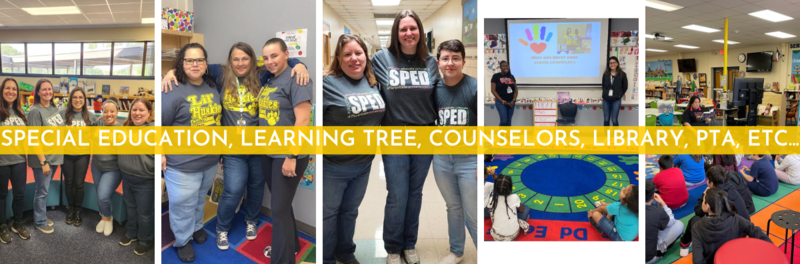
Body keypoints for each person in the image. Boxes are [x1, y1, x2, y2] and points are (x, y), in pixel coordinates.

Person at [370, 9, 439, 264]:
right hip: (394, 134)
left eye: (413, 28)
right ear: (396, 33)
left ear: (420, 31)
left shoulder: (431, 62)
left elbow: (438, 97)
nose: (408, 33)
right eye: (403, 29)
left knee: (415, 193)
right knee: (397, 193)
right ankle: (392, 247)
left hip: (424, 133)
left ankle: (409, 244)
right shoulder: (381, 58)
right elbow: (351, 71)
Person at [322, 34, 385, 264]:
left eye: (358, 53)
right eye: (347, 54)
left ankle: (345, 251)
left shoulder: (373, 81)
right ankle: (327, 258)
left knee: (350, 212)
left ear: (365, 56)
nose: (354, 59)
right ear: (338, 58)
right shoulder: (327, 84)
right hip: (333, 166)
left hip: (364, 164)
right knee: (328, 215)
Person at [161, 43, 223, 263]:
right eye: (189, 60)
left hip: (209, 161)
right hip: (182, 163)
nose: (195, 64)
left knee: (199, 200)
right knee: (182, 206)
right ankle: (183, 240)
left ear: (206, 63)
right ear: (181, 63)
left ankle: (196, 227)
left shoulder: (212, 84)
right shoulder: (171, 89)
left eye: (199, 60)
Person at [258, 38, 313, 264]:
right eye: (266, 57)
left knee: (278, 212)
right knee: (282, 205)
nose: (270, 61)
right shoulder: (269, 79)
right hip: (268, 153)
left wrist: (291, 156)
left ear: (286, 55)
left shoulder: (297, 78)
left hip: (288, 154)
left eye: (275, 56)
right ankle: (293, 245)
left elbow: (302, 121)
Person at [432, 39, 478, 264]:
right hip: (441, 160)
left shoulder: (474, 87)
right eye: (445, 58)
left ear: (463, 61)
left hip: (470, 161)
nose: (450, 63)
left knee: (473, 213)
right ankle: (457, 251)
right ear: (438, 62)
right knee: (453, 207)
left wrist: (482, 161)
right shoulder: (434, 90)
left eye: (455, 58)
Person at [679, 165, 751, 257]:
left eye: (708, 180)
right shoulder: (731, 187)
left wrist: (704, 195)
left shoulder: (713, 195)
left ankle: (684, 245)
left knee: (695, 220)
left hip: (725, 242)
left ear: (712, 183)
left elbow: (698, 211)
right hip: (741, 235)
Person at [689, 187, 771, 264]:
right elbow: (756, 231)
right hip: (734, 260)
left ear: (707, 207)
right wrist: (772, 250)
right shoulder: (736, 219)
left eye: (703, 201)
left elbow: (698, 261)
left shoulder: (697, 227)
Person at [118, 98, 155, 255]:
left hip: (145, 180)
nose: (137, 113)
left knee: (144, 213)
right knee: (131, 208)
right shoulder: (125, 128)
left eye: (141, 110)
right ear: (130, 112)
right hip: (127, 177)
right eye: (134, 110)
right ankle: (131, 232)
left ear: (149, 113)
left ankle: (145, 239)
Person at [28, 79, 65, 234]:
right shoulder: (35, 111)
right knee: (42, 191)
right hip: (44, 159)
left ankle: (41, 215)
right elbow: (34, 138)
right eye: (44, 90)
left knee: (45, 190)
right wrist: (43, 161)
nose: (47, 92)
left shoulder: (53, 108)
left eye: (49, 89)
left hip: (55, 157)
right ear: (38, 92)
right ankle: (40, 221)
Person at [60, 87, 97, 227]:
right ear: (70, 100)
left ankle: (78, 210)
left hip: (83, 155)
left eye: (80, 97)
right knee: (68, 182)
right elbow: (48, 124)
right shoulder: (63, 113)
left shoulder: (90, 116)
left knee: (79, 183)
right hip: (66, 155)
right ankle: (70, 208)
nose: (78, 100)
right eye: (75, 97)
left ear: (84, 100)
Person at [0, 78, 28, 242]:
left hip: (19, 160)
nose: (11, 91)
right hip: (2, 162)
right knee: (1, 195)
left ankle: (17, 223)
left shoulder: (20, 112)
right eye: (7, 88)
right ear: (2, 90)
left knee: (20, 194)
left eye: (14, 89)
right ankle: (2, 226)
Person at [91, 97, 123, 236]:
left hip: (113, 169)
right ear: (102, 113)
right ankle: (104, 216)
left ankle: (108, 218)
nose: (108, 114)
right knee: (100, 194)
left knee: (103, 195)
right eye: (105, 111)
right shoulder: (98, 125)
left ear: (117, 112)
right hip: (96, 166)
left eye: (112, 111)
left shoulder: (122, 129)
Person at [645, 180, 684, 264]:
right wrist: (663, 203)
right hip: (648, 257)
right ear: (653, 196)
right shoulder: (657, 211)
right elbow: (671, 221)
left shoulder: (629, 205)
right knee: (679, 224)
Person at [485, 174, 529, 241]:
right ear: (510, 187)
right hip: (513, 234)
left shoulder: (492, 199)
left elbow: (491, 212)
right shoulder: (514, 197)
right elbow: (522, 210)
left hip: (496, 234)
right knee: (526, 208)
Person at [601, 56, 627, 126]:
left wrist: (619, 94)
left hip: (616, 100)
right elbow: (603, 85)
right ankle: (607, 136)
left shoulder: (622, 74)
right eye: (610, 63)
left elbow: (625, 86)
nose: (612, 64)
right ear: (608, 65)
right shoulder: (605, 74)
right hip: (606, 100)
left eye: (614, 62)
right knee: (606, 119)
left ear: (617, 63)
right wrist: (605, 93)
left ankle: (616, 136)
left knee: (614, 119)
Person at [491, 61, 516, 126]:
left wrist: (513, 100)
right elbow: (493, 90)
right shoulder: (496, 76)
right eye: (503, 66)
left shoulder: (511, 76)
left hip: (511, 102)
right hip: (501, 102)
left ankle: (507, 136)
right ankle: (501, 135)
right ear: (500, 67)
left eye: (507, 66)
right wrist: (502, 101)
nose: (506, 67)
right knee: (504, 121)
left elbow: (516, 90)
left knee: (509, 121)